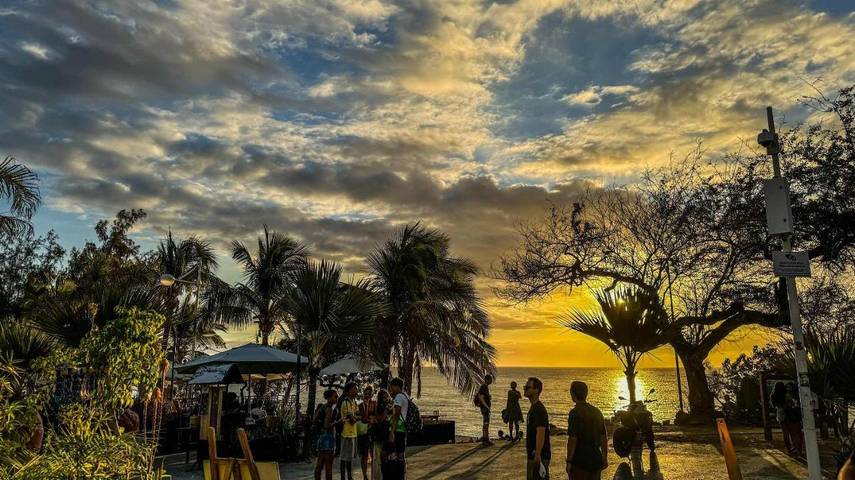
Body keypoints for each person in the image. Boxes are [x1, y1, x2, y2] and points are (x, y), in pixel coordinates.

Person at [565, 381, 608, 480]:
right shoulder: (597, 411)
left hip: (580, 461)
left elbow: (572, 439)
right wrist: (604, 457)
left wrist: (569, 461)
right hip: (595, 458)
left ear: (572, 393)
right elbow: (603, 437)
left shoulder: (574, 413)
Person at [524, 377, 551, 479]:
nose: (525, 389)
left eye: (527, 387)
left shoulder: (539, 409)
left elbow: (541, 431)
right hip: (534, 455)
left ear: (536, 390)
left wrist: (538, 455)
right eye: (524, 387)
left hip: (539, 456)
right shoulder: (534, 408)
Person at [384, 377, 409, 480]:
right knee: (400, 455)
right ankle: (401, 476)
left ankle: (396, 476)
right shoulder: (405, 396)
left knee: (393, 455)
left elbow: (396, 414)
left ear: (396, 386)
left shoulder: (398, 397)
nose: (391, 389)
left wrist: (392, 432)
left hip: (397, 430)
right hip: (402, 429)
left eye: (392, 387)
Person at [315, 389, 339, 480]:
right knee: (328, 466)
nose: (337, 398)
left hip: (321, 437)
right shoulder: (329, 409)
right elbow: (326, 425)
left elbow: (314, 420)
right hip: (328, 437)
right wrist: (337, 422)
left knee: (319, 463)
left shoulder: (322, 407)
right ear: (329, 398)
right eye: (335, 396)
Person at [340, 382, 360, 480]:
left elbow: (357, 414)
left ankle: (349, 476)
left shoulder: (353, 402)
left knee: (349, 458)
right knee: (344, 457)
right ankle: (344, 477)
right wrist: (358, 418)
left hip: (353, 433)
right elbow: (353, 420)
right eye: (354, 388)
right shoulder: (346, 403)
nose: (356, 390)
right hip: (347, 433)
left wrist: (357, 417)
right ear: (348, 391)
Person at [371, 389, 392, 480]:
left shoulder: (386, 406)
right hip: (380, 435)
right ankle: (379, 476)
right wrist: (387, 411)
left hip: (384, 434)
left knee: (383, 456)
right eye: (384, 397)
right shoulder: (380, 406)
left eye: (387, 396)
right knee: (379, 457)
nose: (386, 398)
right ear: (380, 398)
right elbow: (380, 419)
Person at [358, 385, 376, 480]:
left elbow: (375, 417)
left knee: (373, 454)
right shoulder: (360, 405)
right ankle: (365, 475)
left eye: (369, 393)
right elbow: (363, 418)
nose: (367, 395)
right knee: (364, 455)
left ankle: (373, 474)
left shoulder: (375, 403)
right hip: (364, 433)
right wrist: (366, 406)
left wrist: (370, 420)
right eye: (366, 393)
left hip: (372, 432)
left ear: (372, 394)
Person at [770, 382, 793, 453]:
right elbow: (791, 403)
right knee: (792, 431)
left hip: (780, 413)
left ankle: (788, 448)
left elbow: (774, 406)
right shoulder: (786, 395)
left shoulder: (773, 395)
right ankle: (794, 446)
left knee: (785, 433)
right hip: (789, 413)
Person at [784, 382, 805, 457]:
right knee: (797, 433)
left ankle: (798, 449)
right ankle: (798, 449)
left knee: (795, 433)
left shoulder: (790, 396)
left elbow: (789, 406)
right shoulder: (795, 395)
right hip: (794, 415)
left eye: (789, 387)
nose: (788, 389)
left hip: (793, 415)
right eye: (787, 387)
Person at [476, 374, 494, 445]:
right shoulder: (484, 386)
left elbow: (483, 396)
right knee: (486, 423)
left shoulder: (485, 387)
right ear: (487, 379)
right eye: (490, 379)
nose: (491, 381)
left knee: (485, 422)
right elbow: (481, 397)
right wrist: (486, 406)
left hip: (485, 408)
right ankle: (486, 439)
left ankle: (485, 438)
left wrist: (488, 397)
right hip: (485, 408)